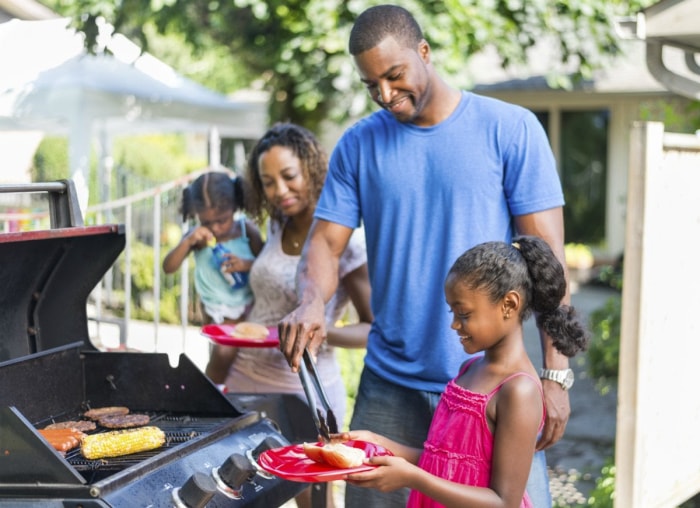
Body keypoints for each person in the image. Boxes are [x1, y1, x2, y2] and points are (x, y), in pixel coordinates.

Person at [278, 5, 574, 507]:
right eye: (373, 86)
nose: (387, 96)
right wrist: (310, 302)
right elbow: (325, 245)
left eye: (395, 76)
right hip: (390, 386)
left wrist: (555, 373)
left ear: (424, 52)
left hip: (496, 388)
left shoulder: (512, 129)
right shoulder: (358, 145)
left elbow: (550, 263)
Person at [336, 236, 589, 507]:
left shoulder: (518, 390)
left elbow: (503, 501)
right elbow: (444, 461)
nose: (454, 325)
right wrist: (380, 444)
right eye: (453, 313)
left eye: (464, 314)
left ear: (509, 305)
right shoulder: (469, 369)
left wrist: (414, 478)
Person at [224, 123, 373, 508]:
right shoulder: (276, 224)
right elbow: (269, 287)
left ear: (311, 170)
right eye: (268, 182)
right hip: (246, 377)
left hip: (304, 388)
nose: (280, 191)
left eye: (289, 177)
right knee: (239, 491)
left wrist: (318, 330)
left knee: (311, 501)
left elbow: (372, 330)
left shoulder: (347, 244)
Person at [162, 171, 263, 384]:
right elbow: (168, 267)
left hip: (244, 308)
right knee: (220, 354)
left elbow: (265, 266)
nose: (215, 228)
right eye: (207, 222)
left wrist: (246, 264)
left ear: (235, 207)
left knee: (226, 355)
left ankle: (211, 389)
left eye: (222, 221)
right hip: (212, 311)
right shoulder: (195, 237)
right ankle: (214, 389)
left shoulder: (247, 231)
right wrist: (188, 242)